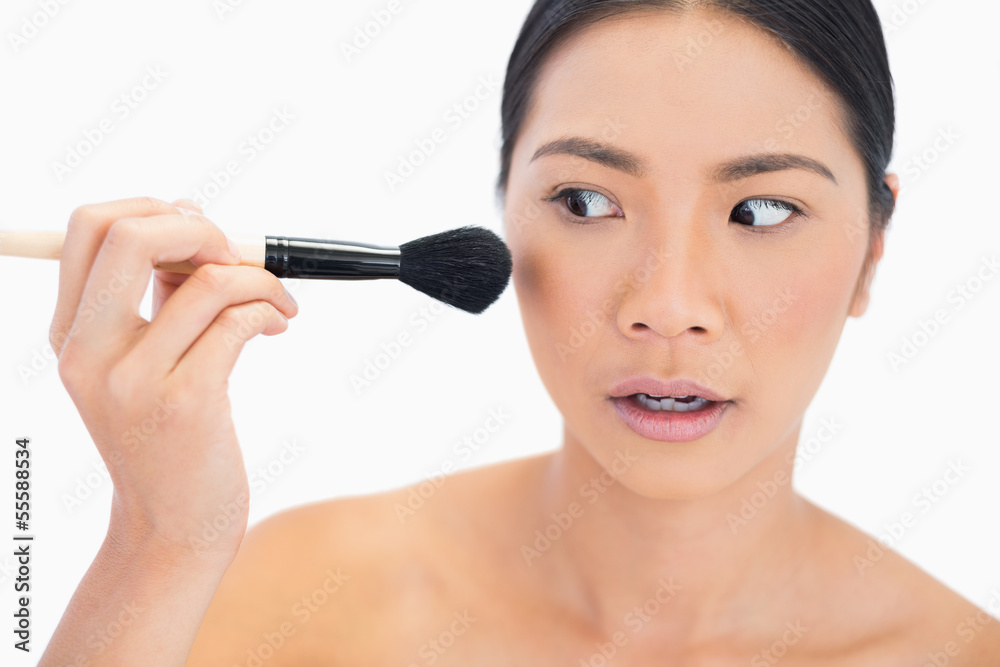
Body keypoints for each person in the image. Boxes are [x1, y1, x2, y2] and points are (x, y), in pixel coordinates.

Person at [40, 0, 1000, 664]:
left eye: (758, 211)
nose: (666, 304)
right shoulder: (283, 598)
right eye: (585, 200)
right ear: (504, 211)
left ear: (874, 251)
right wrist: (158, 541)